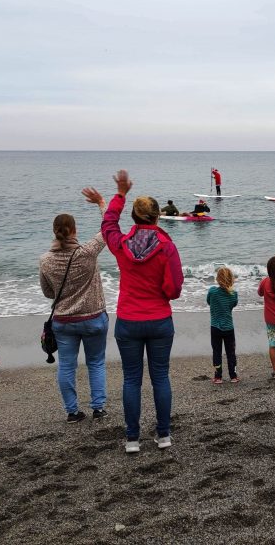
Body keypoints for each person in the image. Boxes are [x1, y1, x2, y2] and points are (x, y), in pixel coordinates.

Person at [98, 169, 184, 453]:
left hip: (129, 321)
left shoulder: (121, 244)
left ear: (134, 218)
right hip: (159, 320)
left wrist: (120, 194)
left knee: (131, 378)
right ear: (158, 217)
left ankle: (132, 439)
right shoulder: (166, 247)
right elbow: (174, 290)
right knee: (160, 376)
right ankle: (163, 435)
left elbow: (109, 223)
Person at [39, 192, 110, 424]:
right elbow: (108, 229)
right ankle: (98, 408)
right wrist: (102, 204)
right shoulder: (87, 252)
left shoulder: (46, 260)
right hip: (93, 318)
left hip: (64, 321)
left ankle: (72, 412)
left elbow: (49, 292)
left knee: (67, 366)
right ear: (74, 230)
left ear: (54, 231)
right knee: (96, 363)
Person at [207, 267, 239, 384]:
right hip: (228, 327)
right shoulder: (233, 294)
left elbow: (208, 301)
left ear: (217, 279)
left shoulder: (212, 291)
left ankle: (218, 376)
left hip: (215, 326)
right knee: (231, 352)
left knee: (217, 351)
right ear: (231, 279)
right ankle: (233, 375)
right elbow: (232, 305)